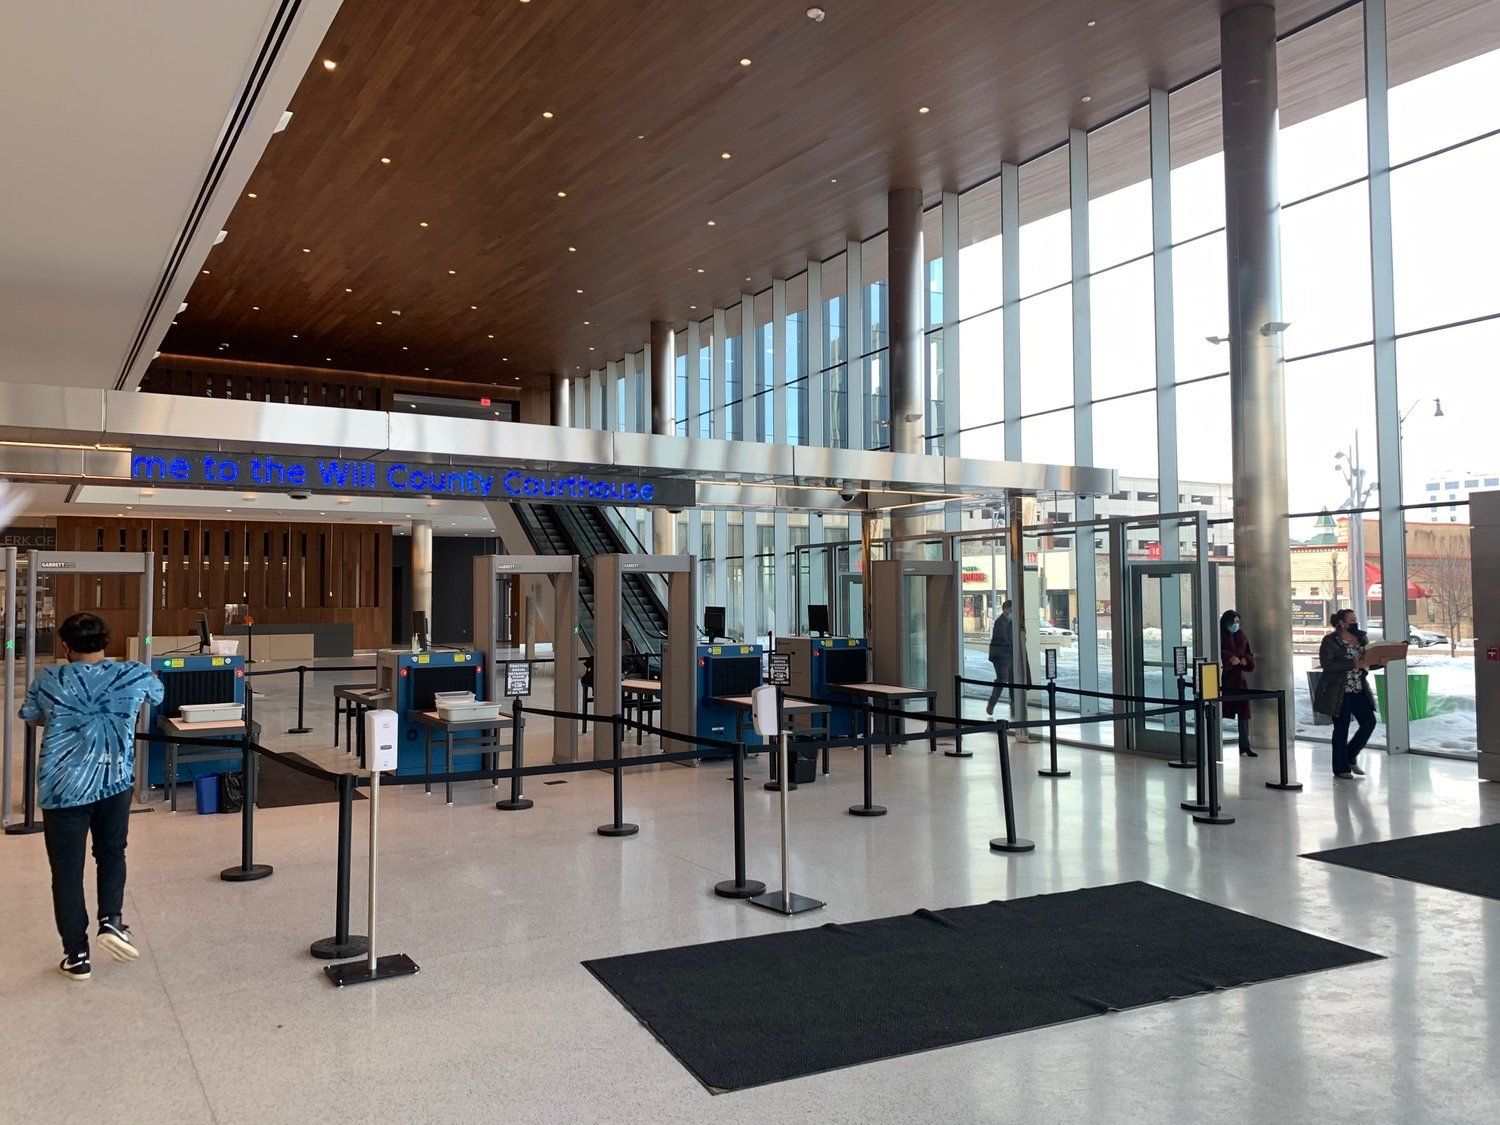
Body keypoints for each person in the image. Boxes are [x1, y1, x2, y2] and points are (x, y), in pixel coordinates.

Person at [19, 613, 163, 981]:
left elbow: (32, 716)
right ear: (106, 642)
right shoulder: (133, 673)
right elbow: (157, 696)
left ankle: (76, 955)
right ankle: (111, 921)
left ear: (65, 646)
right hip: (114, 780)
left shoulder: (50, 678)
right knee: (111, 853)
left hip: (62, 787)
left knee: (66, 873)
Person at [1313, 609, 1385, 780]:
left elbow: (1365, 663)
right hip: (1338, 691)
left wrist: (1379, 663)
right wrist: (1352, 663)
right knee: (1341, 728)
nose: (1355, 623)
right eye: (1351, 620)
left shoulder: (1361, 638)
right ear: (1342, 623)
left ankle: (1350, 754)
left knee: (1369, 722)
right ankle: (1340, 767)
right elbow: (1328, 664)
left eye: (1356, 619)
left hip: (1358, 688)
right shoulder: (1330, 641)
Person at [1219, 609, 1257, 757]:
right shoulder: (1220, 635)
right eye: (1234, 622)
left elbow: (1248, 653)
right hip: (1224, 678)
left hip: (1239, 680)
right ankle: (1213, 742)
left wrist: (1245, 660)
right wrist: (1228, 658)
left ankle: (1244, 745)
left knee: (1243, 713)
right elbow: (1217, 652)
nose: (1236, 625)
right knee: (1219, 711)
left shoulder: (1241, 636)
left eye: (1238, 622)